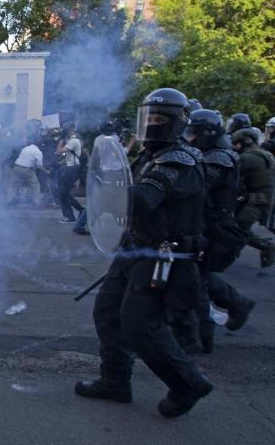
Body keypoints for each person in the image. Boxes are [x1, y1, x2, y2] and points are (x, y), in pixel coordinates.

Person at [76, 88, 213, 418]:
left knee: (140, 323)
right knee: (107, 312)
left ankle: (187, 383)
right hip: (135, 249)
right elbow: (122, 189)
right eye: (148, 117)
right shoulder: (149, 156)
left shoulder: (179, 160)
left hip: (164, 256)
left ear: (177, 122)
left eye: (159, 119)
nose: (151, 124)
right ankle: (114, 382)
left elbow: (141, 199)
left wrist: (104, 190)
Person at [170, 109, 253, 353]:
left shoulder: (219, 159)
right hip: (204, 224)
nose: (190, 138)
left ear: (207, 133)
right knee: (196, 276)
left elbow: (195, 187)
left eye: (193, 133)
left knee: (194, 282)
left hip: (214, 228)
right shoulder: (215, 154)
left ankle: (201, 337)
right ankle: (237, 303)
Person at [231, 127, 275, 268]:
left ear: (246, 141)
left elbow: (230, 178)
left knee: (238, 228)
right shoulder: (263, 154)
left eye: (236, 143)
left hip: (257, 200)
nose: (234, 146)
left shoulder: (248, 158)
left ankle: (267, 246)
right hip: (259, 199)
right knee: (239, 227)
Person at [55, 126, 83, 223]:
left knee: (62, 193)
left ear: (71, 131)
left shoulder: (73, 141)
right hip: (72, 168)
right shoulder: (74, 141)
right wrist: (61, 163)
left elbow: (58, 152)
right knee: (63, 193)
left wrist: (60, 142)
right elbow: (70, 157)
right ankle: (79, 212)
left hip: (72, 169)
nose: (66, 133)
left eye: (67, 131)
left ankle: (72, 216)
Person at [11, 137, 43, 205]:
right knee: (35, 185)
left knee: (13, 185)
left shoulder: (26, 148)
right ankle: (36, 202)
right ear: (39, 145)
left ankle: (10, 200)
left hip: (16, 167)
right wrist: (46, 171)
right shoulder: (38, 152)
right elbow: (39, 166)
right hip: (26, 170)